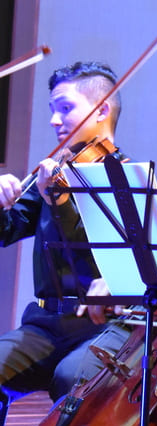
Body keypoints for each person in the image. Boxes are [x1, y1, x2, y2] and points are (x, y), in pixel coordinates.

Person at [0, 61, 130, 404]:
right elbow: (6, 231)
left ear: (102, 109)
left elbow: (96, 256)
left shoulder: (125, 181)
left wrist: (59, 203)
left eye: (66, 109)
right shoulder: (54, 173)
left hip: (98, 326)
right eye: (52, 110)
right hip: (45, 322)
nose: (54, 120)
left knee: (71, 377)